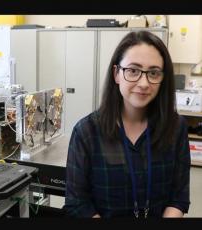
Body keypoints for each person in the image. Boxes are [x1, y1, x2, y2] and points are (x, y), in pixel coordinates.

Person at [63, 30, 191, 218]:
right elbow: (78, 204)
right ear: (116, 74)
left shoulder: (176, 127)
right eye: (133, 70)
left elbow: (178, 198)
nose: (144, 83)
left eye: (154, 73)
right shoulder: (86, 132)